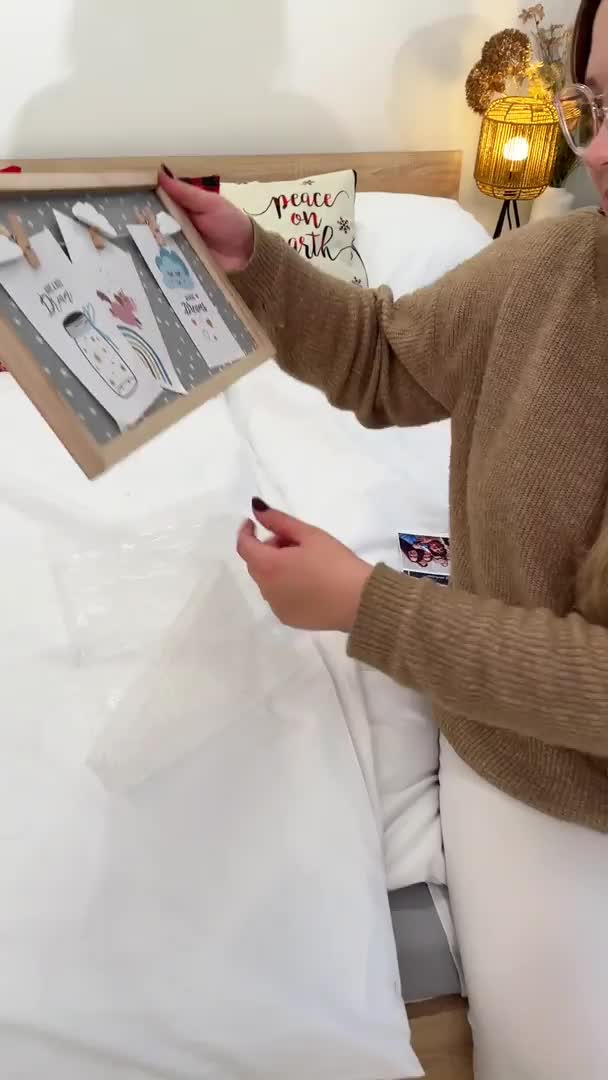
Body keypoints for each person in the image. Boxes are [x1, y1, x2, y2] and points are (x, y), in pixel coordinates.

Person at [160, 1, 608, 1074]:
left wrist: (368, 605)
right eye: (594, 108)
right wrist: (252, 261)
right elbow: (385, 356)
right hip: (529, 770)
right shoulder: (558, 267)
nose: (596, 153)